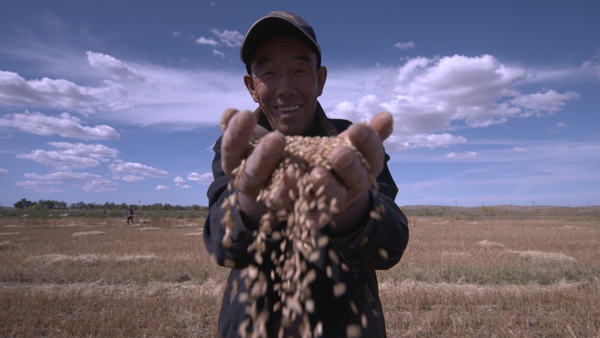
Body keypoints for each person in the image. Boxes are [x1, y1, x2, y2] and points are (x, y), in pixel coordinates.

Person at [203, 11, 409, 337]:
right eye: (268, 72)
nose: (285, 87)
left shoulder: (353, 145)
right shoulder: (238, 146)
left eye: (300, 70)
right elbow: (223, 247)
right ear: (251, 87)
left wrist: (350, 208)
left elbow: (391, 247)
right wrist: (252, 202)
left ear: (320, 79)